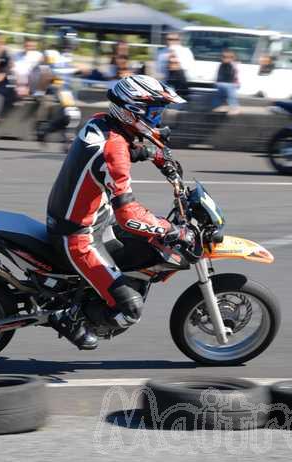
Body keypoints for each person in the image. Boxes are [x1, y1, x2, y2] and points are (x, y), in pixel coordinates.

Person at [46, 75, 191, 349]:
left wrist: (156, 155)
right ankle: (67, 316)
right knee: (130, 310)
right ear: (132, 110)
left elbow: (125, 149)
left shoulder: (102, 122)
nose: (158, 119)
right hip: (78, 235)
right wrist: (170, 229)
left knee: (140, 248)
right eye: (155, 112)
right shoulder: (113, 150)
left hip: (88, 216)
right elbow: (130, 216)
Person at [214, 49, 239, 114]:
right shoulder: (221, 65)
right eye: (223, 57)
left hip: (230, 83)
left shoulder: (233, 65)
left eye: (228, 57)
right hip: (221, 83)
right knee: (221, 96)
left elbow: (235, 74)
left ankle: (234, 109)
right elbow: (219, 73)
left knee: (231, 97)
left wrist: (236, 82)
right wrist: (217, 81)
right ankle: (222, 106)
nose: (225, 59)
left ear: (232, 58)